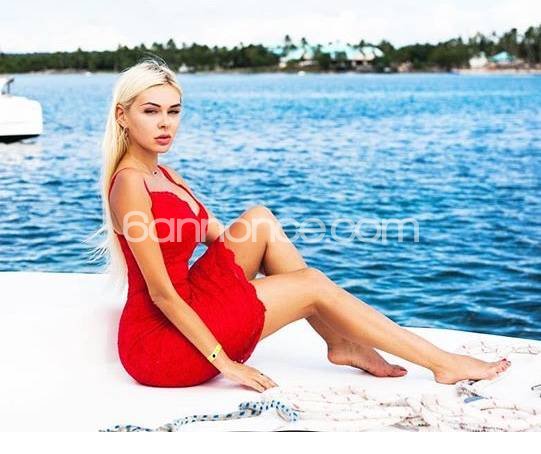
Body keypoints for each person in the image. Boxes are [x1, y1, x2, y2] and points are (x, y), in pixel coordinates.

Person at [95, 58, 511, 392]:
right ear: (123, 116)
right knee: (310, 284)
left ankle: (340, 341)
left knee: (260, 219)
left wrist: (271, 268)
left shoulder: (167, 176)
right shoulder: (129, 184)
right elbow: (162, 294)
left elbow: (221, 239)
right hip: (161, 343)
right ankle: (442, 363)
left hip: (188, 300)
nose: (165, 123)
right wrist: (225, 363)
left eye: (173, 111)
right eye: (151, 112)